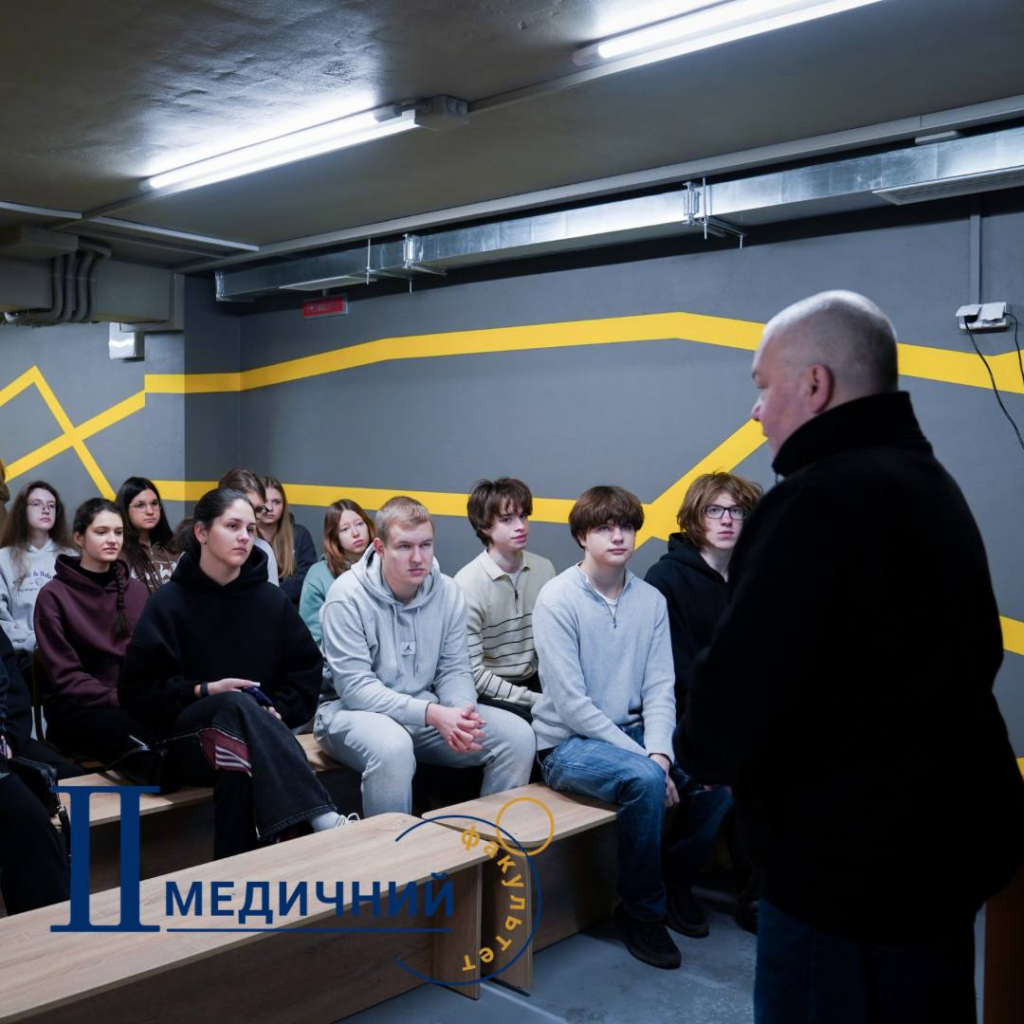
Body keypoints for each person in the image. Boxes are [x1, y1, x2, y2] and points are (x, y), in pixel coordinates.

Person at [676, 291, 1024, 1023]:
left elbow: (728, 711)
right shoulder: (929, 484)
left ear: (815, 384)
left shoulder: (815, 502)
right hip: (941, 860)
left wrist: (707, 750)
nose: (756, 411)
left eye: (763, 385)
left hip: (842, 884)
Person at [532, 485, 731, 971]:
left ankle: (677, 881)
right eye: (604, 527)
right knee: (643, 779)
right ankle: (641, 912)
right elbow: (573, 707)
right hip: (568, 745)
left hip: (637, 735)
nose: (618, 536)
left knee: (717, 774)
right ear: (582, 536)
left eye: (625, 526)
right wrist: (648, 762)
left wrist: (660, 752)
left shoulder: (650, 600)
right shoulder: (556, 598)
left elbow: (661, 689)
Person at [119, 487, 345, 859]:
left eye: (251, 529)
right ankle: (319, 814)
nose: (244, 536)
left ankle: (233, 877)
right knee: (234, 703)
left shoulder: (270, 601)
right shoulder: (167, 603)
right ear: (202, 532)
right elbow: (136, 692)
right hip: (185, 745)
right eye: (233, 526)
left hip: (245, 747)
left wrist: (277, 712)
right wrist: (204, 690)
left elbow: (305, 670)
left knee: (238, 766)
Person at [315, 495, 535, 817]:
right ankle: (390, 848)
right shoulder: (346, 596)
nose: (418, 557)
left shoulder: (447, 591)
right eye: (404, 546)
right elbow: (355, 690)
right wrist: (432, 713)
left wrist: (460, 710)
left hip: (424, 710)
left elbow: (454, 669)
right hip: (349, 713)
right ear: (380, 548)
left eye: (425, 545)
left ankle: (488, 839)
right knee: (393, 747)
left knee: (518, 737)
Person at [645, 471, 763, 935]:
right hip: (683, 714)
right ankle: (676, 882)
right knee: (718, 780)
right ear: (695, 516)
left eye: (737, 511)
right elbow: (671, 674)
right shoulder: (666, 578)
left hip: (741, 716)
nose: (727, 519)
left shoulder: (753, 574)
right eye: (715, 509)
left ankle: (757, 898)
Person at [33, 499, 150, 765]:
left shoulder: (137, 591)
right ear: (79, 538)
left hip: (130, 700)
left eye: (118, 532)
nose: (112, 540)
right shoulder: (53, 595)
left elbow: (149, 658)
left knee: (178, 722)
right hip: (78, 709)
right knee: (137, 735)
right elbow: (66, 677)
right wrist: (122, 699)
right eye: (101, 532)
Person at [454, 477, 555, 721]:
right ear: (484, 526)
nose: (520, 526)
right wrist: (535, 701)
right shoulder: (466, 585)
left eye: (523, 516)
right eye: (507, 519)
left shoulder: (545, 569)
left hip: (537, 682)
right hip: (489, 693)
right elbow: (474, 674)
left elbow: (554, 647)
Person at [0, 646, 70, 915]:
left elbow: (12, 691)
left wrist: (7, 739)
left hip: (8, 738)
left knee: (69, 781)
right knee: (26, 820)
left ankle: (50, 926)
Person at [0, 480, 73, 678]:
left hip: (69, 653)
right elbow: (1, 617)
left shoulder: (72, 558)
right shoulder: (3, 558)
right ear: (22, 510)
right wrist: (30, 642)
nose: (45, 509)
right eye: (37, 504)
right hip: (20, 658)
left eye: (51, 505)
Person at [299, 498, 375, 647]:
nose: (355, 533)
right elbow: (313, 638)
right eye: (345, 529)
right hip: (337, 656)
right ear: (334, 537)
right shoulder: (318, 575)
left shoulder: (385, 564)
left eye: (359, 524)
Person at [258, 475, 316, 606]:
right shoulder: (245, 537)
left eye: (276, 502)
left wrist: (269, 593)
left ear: (284, 506)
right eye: (264, 501)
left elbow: (306, 579)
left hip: (290, 608)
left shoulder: (300, 535)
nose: (269, 508)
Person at [115, 476, 178, 593]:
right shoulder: (116, 551)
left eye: (154, 503)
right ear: (125, 509)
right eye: (140, 505)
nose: (150, 511)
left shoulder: (176, 547)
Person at [218, 469, 279, 586]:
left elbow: (273, 596)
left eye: (258, 510)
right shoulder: (196, 552)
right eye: (246, 508)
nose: (252, 518)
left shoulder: (263, 551)